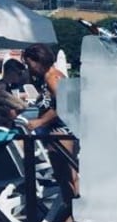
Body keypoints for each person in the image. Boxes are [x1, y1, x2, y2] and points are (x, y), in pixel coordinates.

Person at [22, 42, 79, 200]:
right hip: (58, 129)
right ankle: (72, 208)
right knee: (67, 174)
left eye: (29, 64)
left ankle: (71, 208)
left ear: (39, 60)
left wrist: (40, 121)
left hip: (61, 131)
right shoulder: (47, 78)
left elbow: (65, 103)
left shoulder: (53, 78)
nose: (29, 68)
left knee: (65, 175)